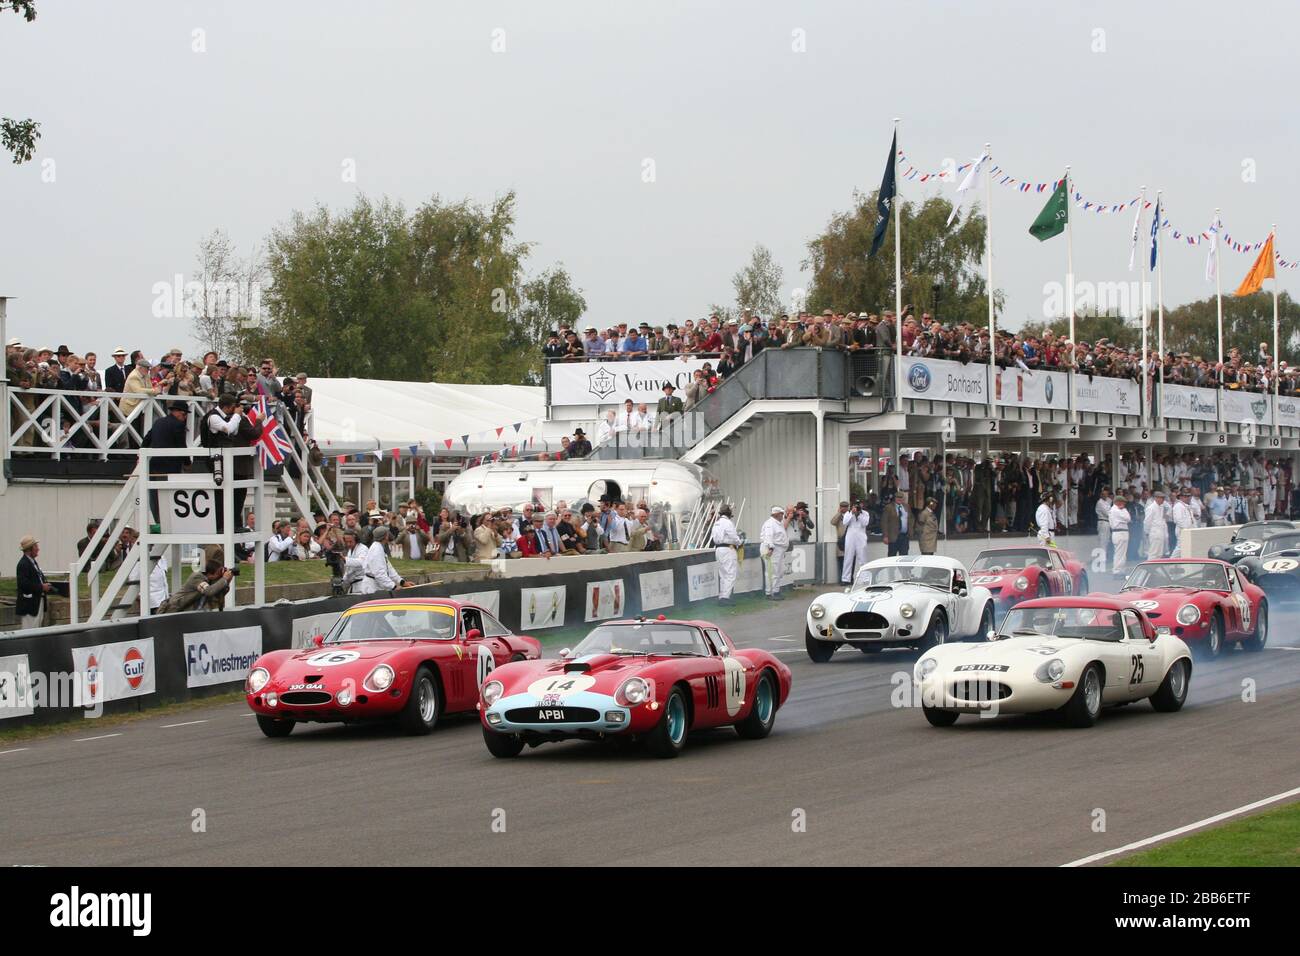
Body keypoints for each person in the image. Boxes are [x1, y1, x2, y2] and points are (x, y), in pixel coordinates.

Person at [16, 535, 59, 629]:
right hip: (29, 605)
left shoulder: (32, 562)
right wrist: (41, 587)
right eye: (35, 547)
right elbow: (23, 584)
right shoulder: (23, 564)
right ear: (29, 549)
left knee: (37, 629)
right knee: (30, 630)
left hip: (37, 602)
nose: (38, 549)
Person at [160, 559, 232, 613]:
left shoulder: (210, 580)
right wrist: (224, 579)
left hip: (192, 611)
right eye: (218, 572)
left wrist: (227, 581)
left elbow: (217, 595)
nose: (219, 574)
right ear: (210, 573)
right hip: (175, 610)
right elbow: (209, 591)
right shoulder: (197, 577)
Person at [711, 504, 742, 603]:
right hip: (727, 549)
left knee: (723, 574)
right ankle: (725, 597)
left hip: (718, 549)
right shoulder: (728, 523)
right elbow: (733, 536)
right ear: (729, 513)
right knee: (730, 573)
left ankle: (722, 596)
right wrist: (740, 542)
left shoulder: (716, 523)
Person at [759, 505, 790, 600]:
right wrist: (771, 548)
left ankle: (775, 591)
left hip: (777, 550)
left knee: (778, 571)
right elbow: (768, 536)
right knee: (772, 572)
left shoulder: (776, 523)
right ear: (777, 514)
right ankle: (771, 593)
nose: (782, 516)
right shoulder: (770, 524)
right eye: (781, 514)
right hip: (772, 550)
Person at [364, 526, 406, 592]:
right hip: (372, 588)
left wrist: (401, 582)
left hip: (377, 585)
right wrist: (393, 586)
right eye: (388, 533)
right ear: (385, 536)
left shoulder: (379, 547)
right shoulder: (376, 550)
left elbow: (389, 568)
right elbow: (379, 574)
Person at [839, 501, 871, 583]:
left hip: (861, 536)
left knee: (863, 558)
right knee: (848, 557)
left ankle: (864, 579)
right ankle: (845, 579)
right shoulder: (848, 513)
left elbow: (865, 523)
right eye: (855, 506)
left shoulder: (865, 513)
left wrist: (859, 514)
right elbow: (845, 522)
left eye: (859, 506)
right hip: (850, 536)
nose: (857, 508)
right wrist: (852, 513)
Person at [881, 493, 910, 557]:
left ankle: (903, 567)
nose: (899, 499)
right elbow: (884, 522)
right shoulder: (888, 507)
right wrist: (885, 536)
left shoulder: (906, 506)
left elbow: (910, 519)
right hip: (893, 536)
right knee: (892, 556)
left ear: (903, 498)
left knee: (904, 557)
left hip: (904, 536)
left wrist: (911, 531)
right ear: (895, 498)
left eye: (901, 497)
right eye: (898, 497)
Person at [1109, 493, 1131, 574]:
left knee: (1122, 553)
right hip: (1119, 532)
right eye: (1123, 502)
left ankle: (1121, 570)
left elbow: (1128, 518)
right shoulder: (1115, 510)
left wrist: (1123, 512)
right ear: (1118, 502)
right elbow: (1127, 518)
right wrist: (1123, 512)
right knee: (1119, 553)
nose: (1124, 504)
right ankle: (1117, 571)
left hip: (1123, 532)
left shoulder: (1121, 510)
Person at [1144, 489, 1169, 559]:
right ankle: (1149, 569)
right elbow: (1147, 521)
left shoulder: (1161, 507)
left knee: (1159, 553)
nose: (1163, 500)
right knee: (1153, 553)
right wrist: (1147, 532)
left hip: (1161, 531)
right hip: (1154, 531)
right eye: (1161, 498)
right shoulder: (1151, 508)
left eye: (1163, 498)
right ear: (1156, 498)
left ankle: (1156, 569)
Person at [1169, 490, 1194, 558]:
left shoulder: (1187, 506)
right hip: (1182, 531)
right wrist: (1186, 529)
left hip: (1188, 530)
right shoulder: (1178, 506)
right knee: (1180, 548)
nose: (1188, 498)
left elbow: (1191, 519)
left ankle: (1178, 564)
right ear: (1180, 497)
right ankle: (1171, 562)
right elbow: (1178, 520)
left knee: (1186, 549)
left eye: (1189, 496)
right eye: (1185, 496)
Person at [1095, 487, 1113, 568]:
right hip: (1103, 522)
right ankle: (1101, 559)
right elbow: (1107, 513)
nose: (1105, 496)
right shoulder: (1100, 502)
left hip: (1108, 522)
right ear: (1101, 495)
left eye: (1106, 494)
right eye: (1103, 494)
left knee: (1106, 541)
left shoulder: (1107, 502)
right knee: (1102, 541)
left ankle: (1104, 558)